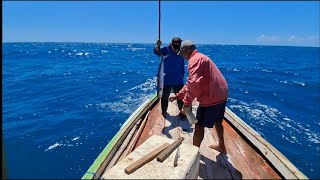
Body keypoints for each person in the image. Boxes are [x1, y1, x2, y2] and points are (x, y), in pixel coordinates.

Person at [169, 40, 229, 153]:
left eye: (181, 54)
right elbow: (190, 83)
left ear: (185, 50)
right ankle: (222, 146)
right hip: (222, 94)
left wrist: (186, 103)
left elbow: (194, 83)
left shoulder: (194, 60)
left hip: (211, 98)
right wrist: (179, 96)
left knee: (199, 126)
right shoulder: (201, 57)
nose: (182, 56)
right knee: (218, 121)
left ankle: (193, 153)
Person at [154, 37, 186, 118]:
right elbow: (157, 52)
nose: (177, 48)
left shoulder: (182, 50)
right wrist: (157, 46)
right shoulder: (166, 49)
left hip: (178, 79)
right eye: (176, 45)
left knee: (181, 98)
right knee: (164, 97)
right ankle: (164, 112)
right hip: (166, 79)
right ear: (172, 43)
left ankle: (183, 113)